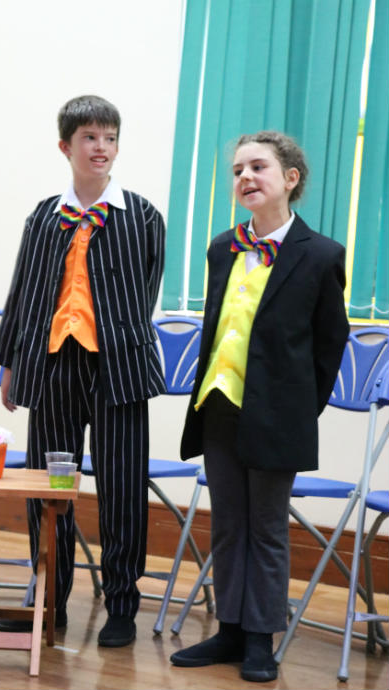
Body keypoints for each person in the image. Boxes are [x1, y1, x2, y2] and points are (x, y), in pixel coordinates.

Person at [170, 131, 349, 682]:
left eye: (258, 167)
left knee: (266, 527)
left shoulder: (321, 255)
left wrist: (298, 410)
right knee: (228, 523)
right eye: (238, 170)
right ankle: (228, 628)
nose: (245, 177)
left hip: (277, 415)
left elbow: (329, 343)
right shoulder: (223, 247)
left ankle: (259, 638)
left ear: (290, 179)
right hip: (219, 403)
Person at [0, 95, 166, 647]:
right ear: (66, 146)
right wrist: (11, 364)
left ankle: (121, 604)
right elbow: (22, 292)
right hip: (51, 368)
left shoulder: (142, 216)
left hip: (118, 370)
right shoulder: (44, 216)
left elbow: (144, 293)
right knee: (50, 488)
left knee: (120, 488)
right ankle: (49, 599)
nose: (101, 147)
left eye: (110, 138)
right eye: (90, 137)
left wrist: (116, 339)